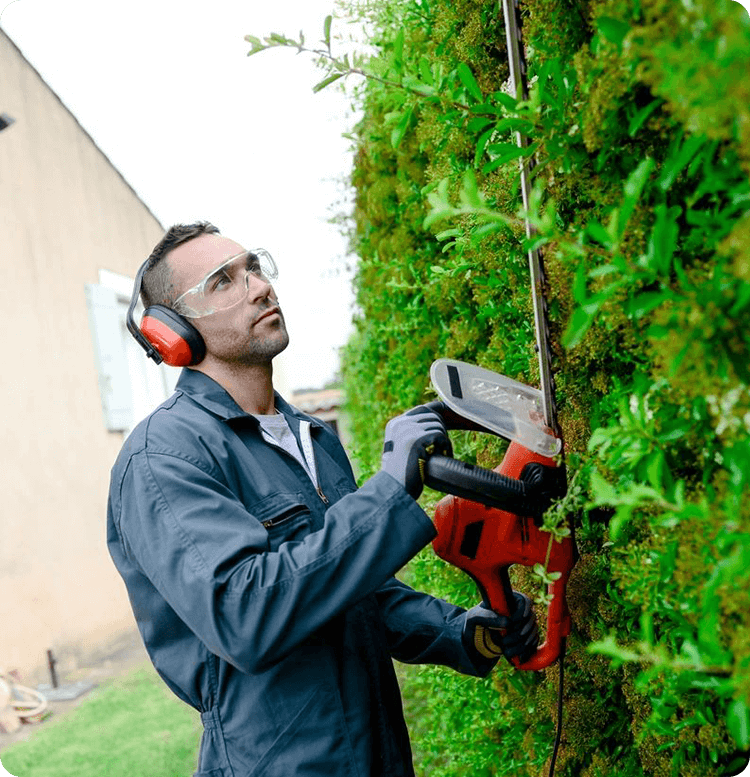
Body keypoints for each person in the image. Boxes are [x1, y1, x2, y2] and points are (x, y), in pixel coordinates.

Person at [107, 222, 539, 777]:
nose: (259, 287)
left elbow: (356, 592)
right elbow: (245, 614)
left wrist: (464, 632)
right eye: (222, 282)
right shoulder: (164, 456)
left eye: (254, 267)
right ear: (172, 331)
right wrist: (388, 493)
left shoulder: (312, 436)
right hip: (280, 762)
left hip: (378, 754)